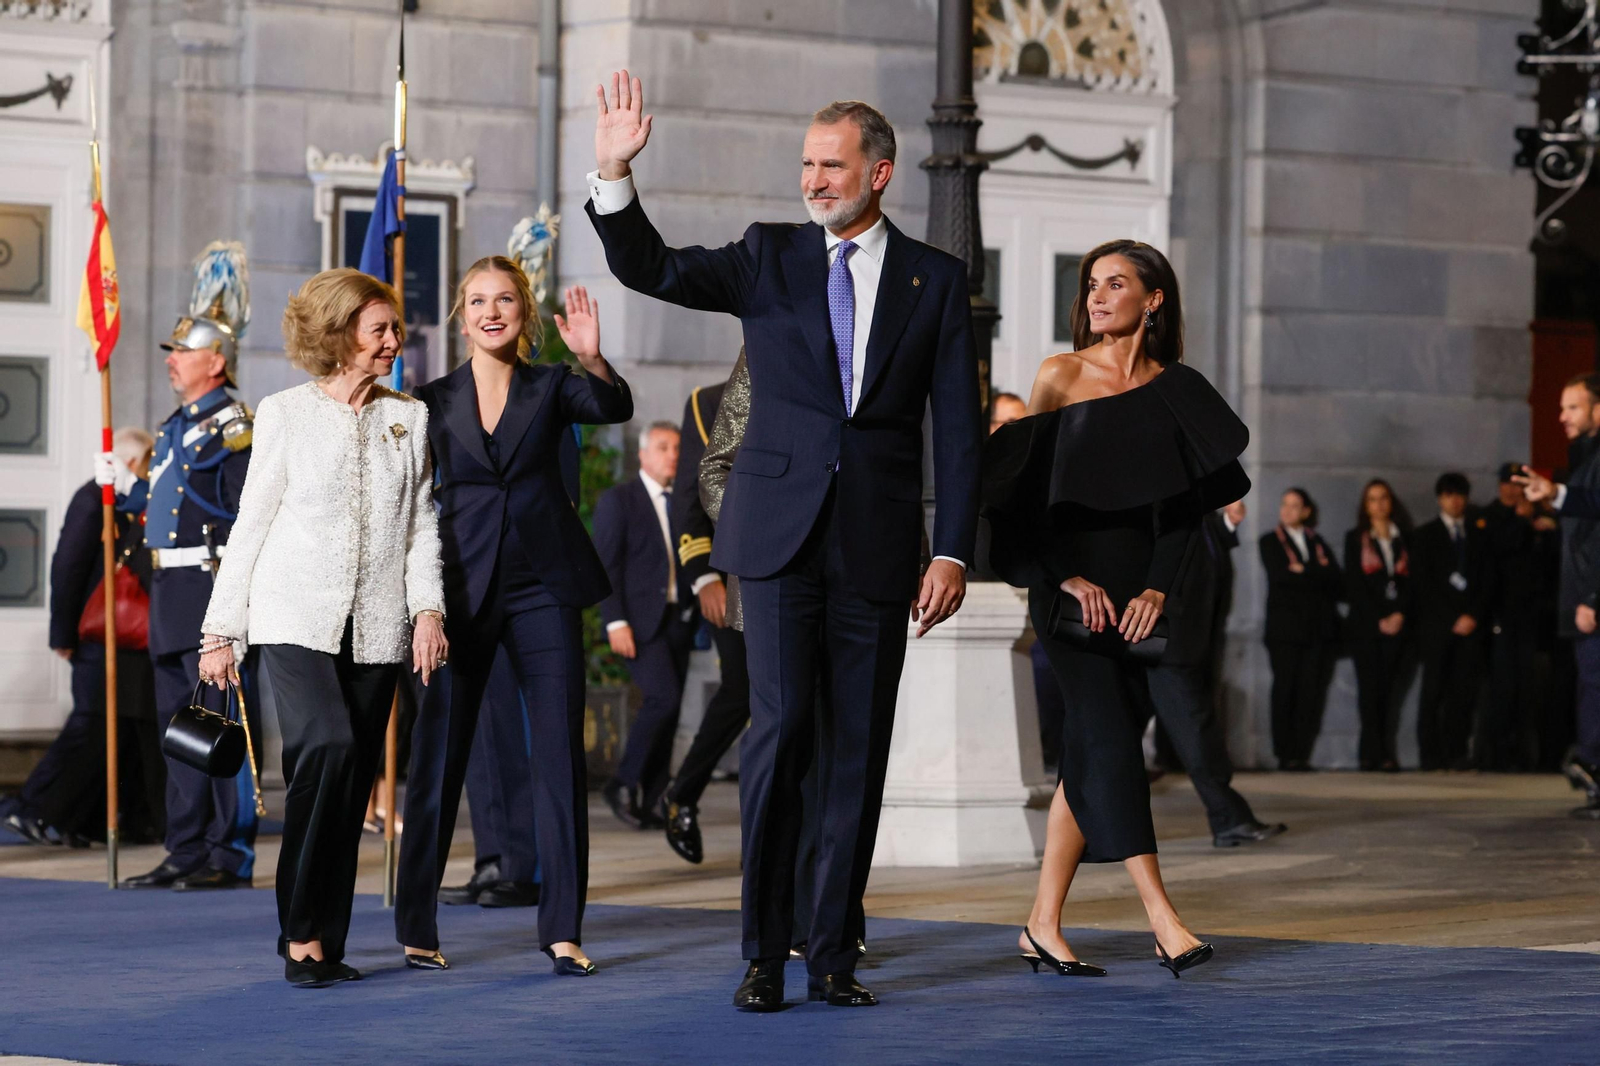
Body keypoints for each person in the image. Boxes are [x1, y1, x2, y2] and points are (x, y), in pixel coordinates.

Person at [588, 74, 982, 1010]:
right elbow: (655, 268)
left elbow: (958, 428)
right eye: (806, 163)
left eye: (831, 164)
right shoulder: (767, 256)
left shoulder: (936, 279)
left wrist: (954, 548)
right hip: (771, 541)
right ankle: (764, 952)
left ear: (879, 173)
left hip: (881, 549)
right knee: (778, 732)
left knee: (858, 750)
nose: (813, 179)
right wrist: (613, 171)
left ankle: (834, 951)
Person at [984, 239, 1248, 982]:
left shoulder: (1177, 391)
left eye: (1115, 284)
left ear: (1153, 299)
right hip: (1075, 596)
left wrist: (1160, 589)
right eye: (1091, 285)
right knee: (1113, 747)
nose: (1097, 297)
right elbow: (1021, 498)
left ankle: (1041, 925)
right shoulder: (1059, 376)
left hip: (1141, 603)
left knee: (1090, 760)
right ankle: (1162, 918)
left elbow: (1185, 512)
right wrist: (1062, 576)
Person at [198, 267, 449, 988]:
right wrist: (222, 633)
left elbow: (420, 528)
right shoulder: (283, 413)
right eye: (381, 331)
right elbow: (252, 524)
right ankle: (299, 927)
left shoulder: (410, 416)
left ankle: (321, 944)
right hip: (293, 616)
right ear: (340, 336)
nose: (395, 343)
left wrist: (427, 609)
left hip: (375, 627)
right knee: (329, 752)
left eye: (396, 330)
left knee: (348, 782)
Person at [394, 262, 631, 978]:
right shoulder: (428, 402)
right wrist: (423, 608)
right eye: (477, 302)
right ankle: (416, 925)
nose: (491, 312)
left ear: (523, 314)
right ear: (461, 318)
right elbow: (414, 514)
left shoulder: (553, 386)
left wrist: (590, 356)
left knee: (558, 755)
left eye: (504, 300)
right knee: (438, 755)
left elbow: (613, 408)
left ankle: (562, 929)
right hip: (459, 595)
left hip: (544, 587)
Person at [122, 245, 260, 891]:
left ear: (217, 362)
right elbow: (160, 503)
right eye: (172, 354)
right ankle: (184, 848)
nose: (172, 363)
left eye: (182, 353)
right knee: (180, 733)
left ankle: (225, 853)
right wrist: (123, 490)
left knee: (219, 727)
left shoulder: (234, 428)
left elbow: (246, 516)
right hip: (170, 591)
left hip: (211, 588)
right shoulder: (176, 427)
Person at [5, 430, 161, 847]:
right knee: (89, 729)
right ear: (130, 464)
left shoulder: (132, 505)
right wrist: (63, 632)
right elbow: (68, 566)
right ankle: (34, 807)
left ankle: (86, 820)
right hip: (98, 636)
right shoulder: (94, 499)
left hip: (127, 641)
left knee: (115, 733)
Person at [1149, 496, 1285, 847]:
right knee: (1197, 732)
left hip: (1195, 644)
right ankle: (1229, 819)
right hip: (1167, 645)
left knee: (1196, 728)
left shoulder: (1201, 516)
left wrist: (1230, 522)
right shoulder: (1163, 508)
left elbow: (1208, 550)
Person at [659, 368, 752, 864]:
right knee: (743, 688)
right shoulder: (709, 401)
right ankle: (681, 794)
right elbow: (692, 496)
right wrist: (703, 577)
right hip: (728, 572)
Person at [596, 422, 696, 831]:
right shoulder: (620, 500)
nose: (673, 454)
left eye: (676, 447)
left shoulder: (685, 502)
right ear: (643, 454)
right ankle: (621, 783)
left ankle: (653, 799)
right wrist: (615, 620)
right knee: (663, 699)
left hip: (679, 619)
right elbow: (606, 566)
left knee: (670, 714)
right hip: (638, 622)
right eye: (663, 447)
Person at [1515, 372, 1600, 817]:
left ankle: (1591, 764)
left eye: (1572, 407)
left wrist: (1595, 598)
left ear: (1598, 410)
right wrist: (1554, 496)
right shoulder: (1586, 457)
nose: (1561, 415)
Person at [1411, 472, 1493, 771]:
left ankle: (1456, 752)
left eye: (1459, 495)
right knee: (1432, 693)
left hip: (1470, 628)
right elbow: (1424, 585)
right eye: (1448, 495)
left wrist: (1472, 615)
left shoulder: (1478, 535)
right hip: (1437, 629)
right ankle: (1430, 756)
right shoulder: (1424, 536)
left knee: (1463, 693)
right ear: (1439, 498)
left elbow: (1487, 581)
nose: (1455, 501)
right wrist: (1452, 617)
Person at [1258, 488, 1342, 771]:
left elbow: (1335, 580)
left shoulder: (1316, 540)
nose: (1288, 510)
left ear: (1306, 511)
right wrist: (1314, 572)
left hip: (1316, 630)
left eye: (1295, 506)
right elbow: (1280, 576)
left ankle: (1300, 753)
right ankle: (1284, 753)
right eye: (1284, 505)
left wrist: (1302, 571)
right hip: (1285, 632)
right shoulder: (1269, 541)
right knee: (1285, 690)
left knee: (1310, 693)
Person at [1482, 464, 1555, 771]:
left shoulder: (1539, 517)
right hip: (1501, 615)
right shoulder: (1490, 517)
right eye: (1507, 485)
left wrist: (1546, 528)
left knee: (1529, 689)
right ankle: (1497, 755)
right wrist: (1521, 521)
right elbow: (1497, 553)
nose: (1513, 491)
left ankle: (1526, 756)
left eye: (1518, 485)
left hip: (1532, 616)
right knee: (1502, 688)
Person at [1342, 479, 1414, 772]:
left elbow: (1414, 582)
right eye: (1372, 499)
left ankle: (1387, 752)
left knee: (1390, 692)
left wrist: (1399, 614)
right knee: (1369, 691)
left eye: (1384, 498)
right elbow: (1354, 584)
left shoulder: (1405, 538)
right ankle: (1369, 753)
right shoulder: (1355, 538)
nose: (1379, 504)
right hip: (1367, 628)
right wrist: (1378, 618)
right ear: (1365, 505)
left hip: (1399, 625)